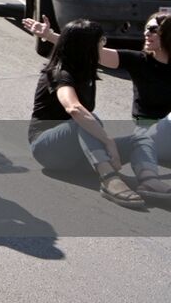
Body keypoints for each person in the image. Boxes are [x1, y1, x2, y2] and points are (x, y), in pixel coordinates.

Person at [24, 11, 171, 200]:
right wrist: (108, 142)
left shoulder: (86, 74)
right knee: (86, 119)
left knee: (140, 140)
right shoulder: (58, 73)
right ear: (87, 47)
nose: (103, 46)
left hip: (77, 157)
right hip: (47, 150)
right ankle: (109, 179)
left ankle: (150, 181)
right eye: (100, 41)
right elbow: (74, 109)